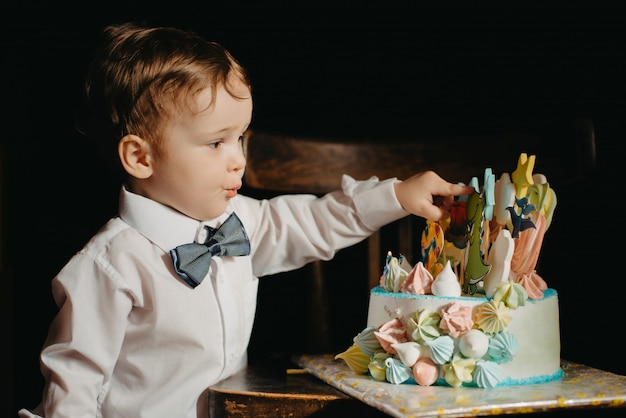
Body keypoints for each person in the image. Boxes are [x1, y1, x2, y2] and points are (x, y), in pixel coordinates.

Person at [18, 22, 474, 418]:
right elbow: (74, 384)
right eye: (216, 143)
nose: (238, 160)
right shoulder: (111, 265)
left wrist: (396, 195)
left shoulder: (241, 223)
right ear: (140, 156)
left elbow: (316, 222)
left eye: (241, 138)